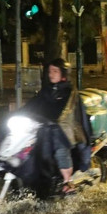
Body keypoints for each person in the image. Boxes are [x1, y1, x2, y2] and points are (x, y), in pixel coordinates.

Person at [21, 58, 92, 193]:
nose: (51, 74)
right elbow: (35, 103)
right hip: (48, 128)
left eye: (55, 71)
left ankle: (68, 181)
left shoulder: (69, 92)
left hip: (66, 130)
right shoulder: (47, 90)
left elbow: (65, 111)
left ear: (63, 74)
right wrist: (19, 113)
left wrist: (52, 120)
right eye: (50, 71)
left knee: (60, 149)